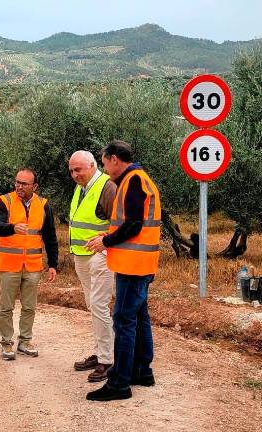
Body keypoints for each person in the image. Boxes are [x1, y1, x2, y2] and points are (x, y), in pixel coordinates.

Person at [85, 140, 161, 402]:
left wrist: (106, 241)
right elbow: (131, 225)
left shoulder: (133, 181)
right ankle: (142, 370)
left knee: (123, 319)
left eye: (104, 163)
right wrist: (107, 235)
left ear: (114, 159)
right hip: (140, 262)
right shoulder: (137, 179)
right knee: (139, 316)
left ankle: (119, 383)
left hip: (133, 265)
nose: (105, 169)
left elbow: (134, 225)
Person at [0, 168, 58, 360]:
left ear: (34, 186)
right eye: (17, 182)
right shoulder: (5, 201)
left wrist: (53, 264)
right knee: (6, 307)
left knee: (29, 307)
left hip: (33, 265)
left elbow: (50, 237)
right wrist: (12, 228)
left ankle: (25, 341)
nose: (19, 186)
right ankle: (6, 343)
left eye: (24, 183)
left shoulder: (44, 205)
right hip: (9, 264)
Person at [68, 151, 117, 382]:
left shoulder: (107, 187)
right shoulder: (82, 187)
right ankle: (100, 353)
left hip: (102, 256)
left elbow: (119, 223)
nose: (75, 174)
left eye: (79, 169)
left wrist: (106, 242)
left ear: (92, 165)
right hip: (82, 255)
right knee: (92, 305)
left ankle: (107, 360)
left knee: (99, 305)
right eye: (71, 170)